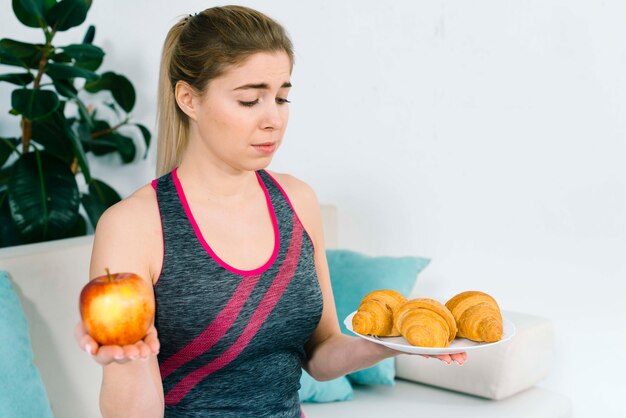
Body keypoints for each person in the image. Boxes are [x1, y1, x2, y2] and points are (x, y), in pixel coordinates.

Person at [75, 5, 467, 417]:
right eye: (249, 100)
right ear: (188, 99)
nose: (273, 119)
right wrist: (127, 361)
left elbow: (319, 353)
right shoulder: (134, 225)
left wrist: (388, 343)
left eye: (281, 97)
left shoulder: (297, 201)